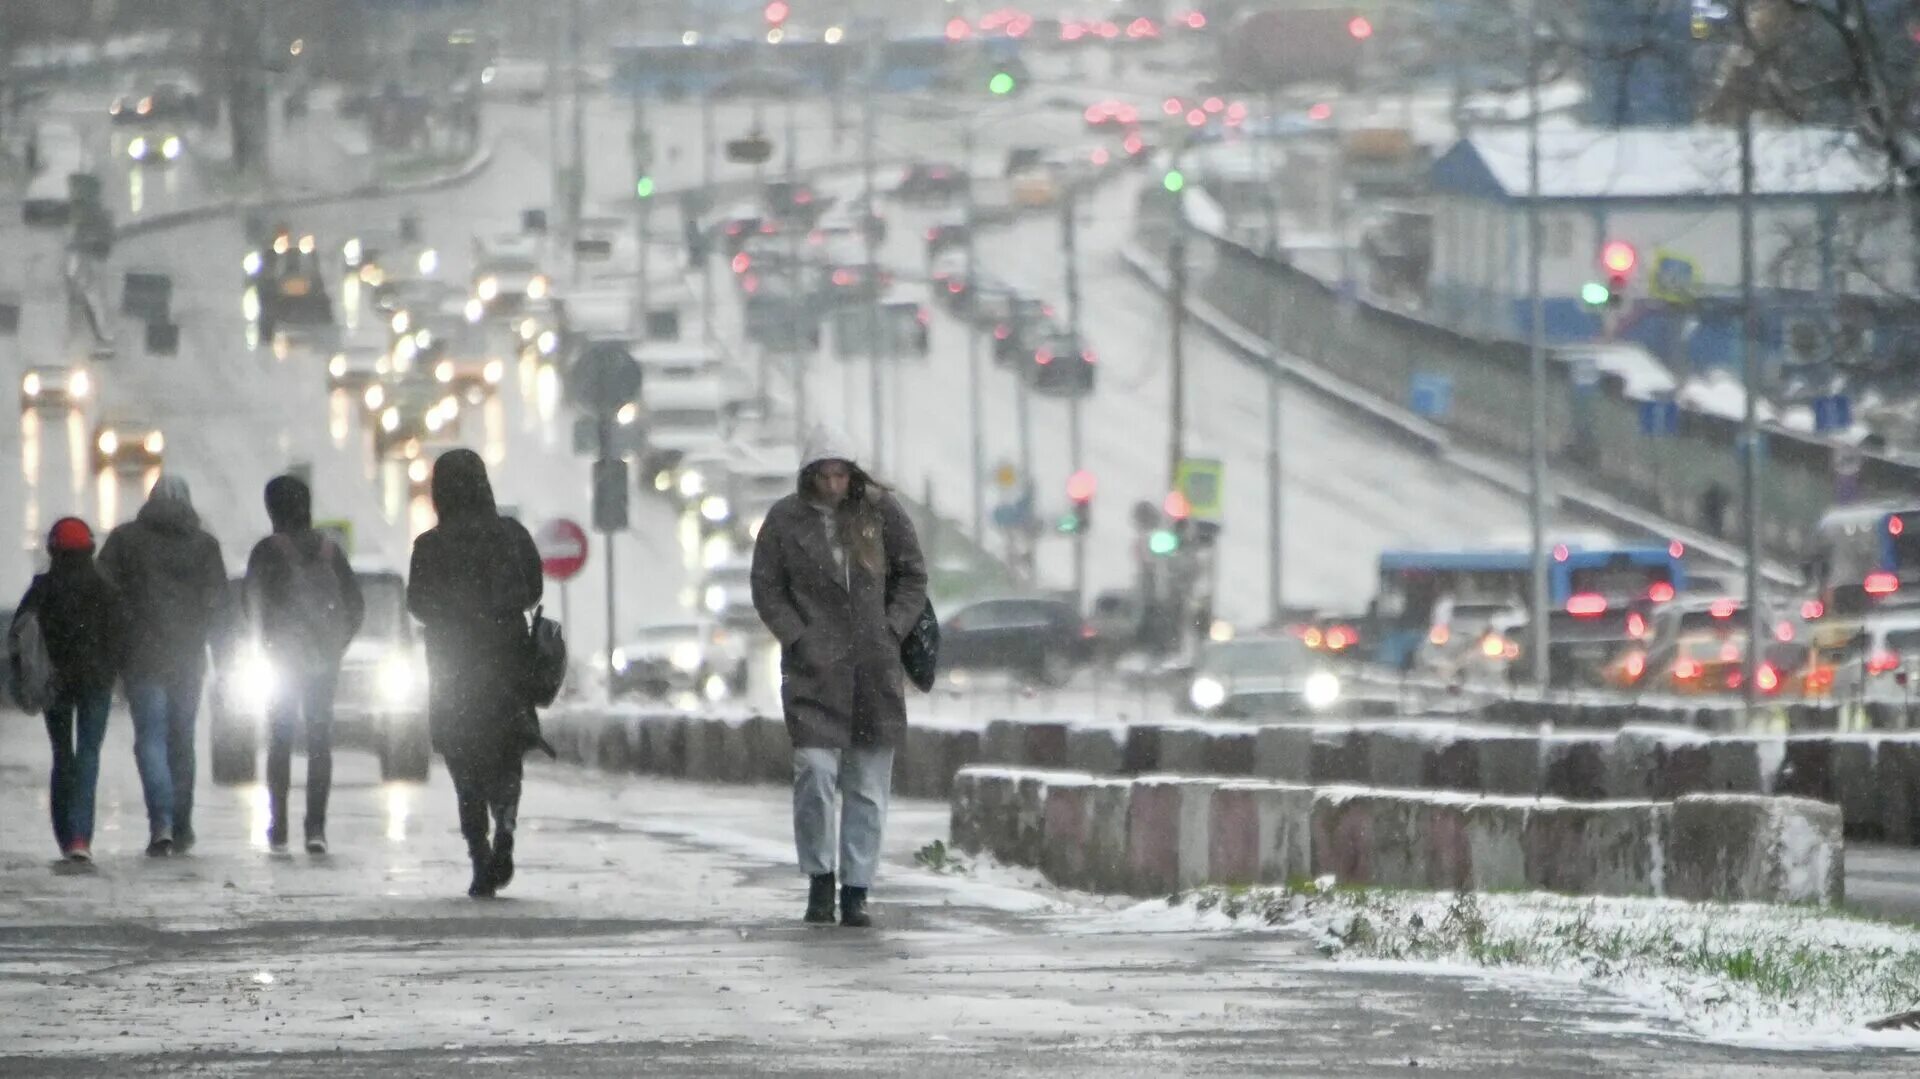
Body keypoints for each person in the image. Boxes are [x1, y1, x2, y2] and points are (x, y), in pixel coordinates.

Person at [750, 425, 927, 928]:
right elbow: (767, 586)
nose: (833, 485)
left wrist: (891, 627)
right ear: (809, 475)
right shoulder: (785, 520)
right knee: (814, 773)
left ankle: (856, 889)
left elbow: (913, 574)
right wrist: (798, 636)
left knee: (869, 786)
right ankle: (819, 876)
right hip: (813, 673)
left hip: (874, 669)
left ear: (854, 473)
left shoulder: (880, 513)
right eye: (824, 475)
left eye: (841, 474)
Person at [406, 449, 543, 899]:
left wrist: (457, 614)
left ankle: (479, 849)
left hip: (453, 667)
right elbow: (534, 588)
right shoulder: (511, 535)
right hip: (506, 663)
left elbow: (418, 605)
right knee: (507, 754)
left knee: (464, 763)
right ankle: (505, 823)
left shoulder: (429, 546)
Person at [98, 474, 229, 856]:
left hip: (142, 657)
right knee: (181, 741)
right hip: (187, 658)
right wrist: (220, 652)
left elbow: (104, 595)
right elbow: (219, 604)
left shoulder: (124, 541)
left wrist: (116, 641)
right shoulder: (205, 546)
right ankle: (183, 823)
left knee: (150, 740)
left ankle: (162, 823)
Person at [244, 475, 364, 855]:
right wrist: (334, 645)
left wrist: (266, 642)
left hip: (282, 659)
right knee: (318, 742)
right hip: (323, 661)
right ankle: (316, 829)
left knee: (279, 740)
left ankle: (278, 825)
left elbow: (249, 602)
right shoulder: (331, 550)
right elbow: (356, 606)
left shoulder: (267, 550)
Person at [16, 518, 128, 862]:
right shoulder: (106, 588)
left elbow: (19, 635)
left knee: (62, 754)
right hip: (96, 682)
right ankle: (81, 837)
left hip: (56, 684)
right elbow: (120, 637)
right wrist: (116, 673)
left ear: (53, 549)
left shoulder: (42, 588)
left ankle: (66, 835)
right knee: (89, 754)